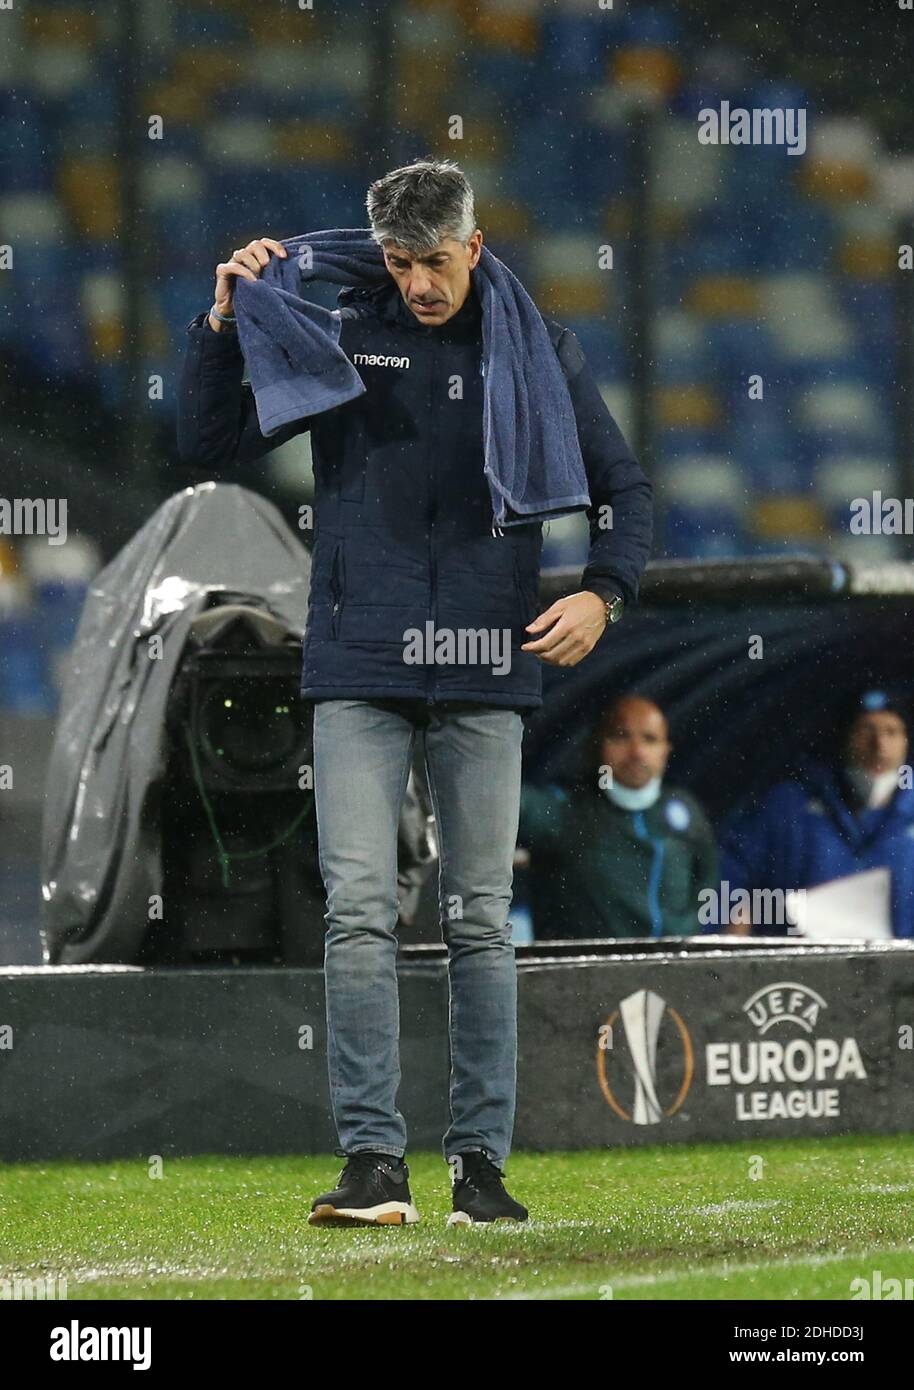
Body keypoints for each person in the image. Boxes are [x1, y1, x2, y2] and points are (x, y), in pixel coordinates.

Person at [177, 158, 652, 1225]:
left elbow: (623, 491)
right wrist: (218, 327)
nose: (418, 283)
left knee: (480, 918)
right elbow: (207, 448)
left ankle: (478, 1165)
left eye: (435, 261)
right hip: (360, 661)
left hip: (487, 660)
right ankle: (371, 1165)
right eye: (398, 263)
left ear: (473, 246)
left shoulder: (532, 348)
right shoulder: (341, 328)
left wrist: (604, 597)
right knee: (358, 912)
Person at [518, 694, 717, 938]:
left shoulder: (684, 809)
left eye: (650, 739)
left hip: (670, 970)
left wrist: (689, 935)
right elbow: (502, 804)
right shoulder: (563, 808)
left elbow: (709, 881)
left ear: (665, 752)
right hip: (582, 973)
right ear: (597, 745)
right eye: (621, 736)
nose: (637, 751)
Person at [720, 688, 914, 936]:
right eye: (866, 730)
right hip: (798, 970)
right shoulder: (789, 806)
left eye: (892, 732)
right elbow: (736, 880)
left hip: (900, 972)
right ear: (844, 737)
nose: (879, 745)